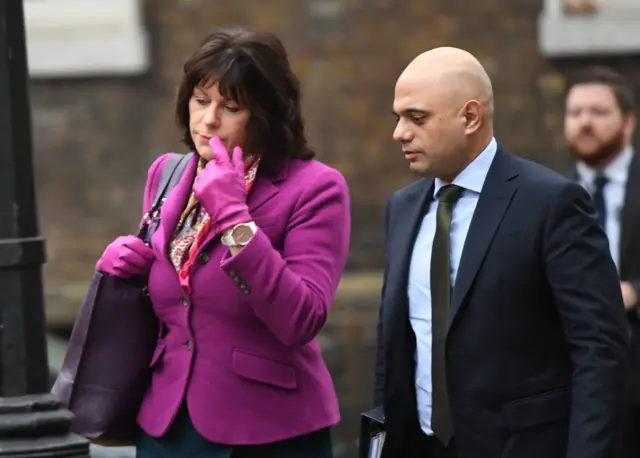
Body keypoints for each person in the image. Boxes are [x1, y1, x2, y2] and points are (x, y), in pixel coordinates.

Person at [94, 28, 350, 458]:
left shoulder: (316, 189)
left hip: (268, 430)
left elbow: (302, 318)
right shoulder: (168, 174)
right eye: (199, 101)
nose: (208, 120)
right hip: (166, 424)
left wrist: (235, 217)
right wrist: (122, 267)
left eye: (231, 107)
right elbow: (176, 294)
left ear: (267, 114)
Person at [373, 47, 629, 458]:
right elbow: (395, 351)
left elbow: (599, 351)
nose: (399, 133)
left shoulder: (551, 203)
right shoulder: (402, 208)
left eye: (416, 118)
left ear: (470, 117)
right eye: (398, 117)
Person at [564, 66, 640, 458]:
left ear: (628, 122)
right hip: (573, 382)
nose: (585, 122)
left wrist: (635, 292)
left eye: (598, 112)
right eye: (575, 113)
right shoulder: (545, 191)